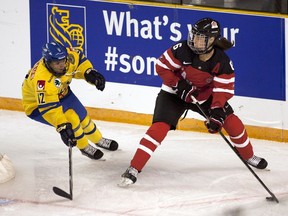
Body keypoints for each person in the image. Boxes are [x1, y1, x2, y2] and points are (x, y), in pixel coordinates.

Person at [119, 17, 268, 186]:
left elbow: (222, 90)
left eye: (201, 38)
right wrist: (178, 84)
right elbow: (161, 66)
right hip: (174, 93)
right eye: (194, 35)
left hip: (203, 95)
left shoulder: (222, 62)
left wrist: (217, 113)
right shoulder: (181, 49)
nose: (194, 40)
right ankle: (133, 168)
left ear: (212, 40)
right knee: (159, 128)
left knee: (232, 122)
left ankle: (248, 156)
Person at [22, 41, 118, 160]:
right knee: (71, 119)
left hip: (62, 92)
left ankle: (98, 139)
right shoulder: (42, 81)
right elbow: (49, 108)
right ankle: (84, 146)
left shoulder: (67, 57)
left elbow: (79, 61)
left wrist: (88, 72)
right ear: (48, 62)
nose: (62, 65)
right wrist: (61, 126)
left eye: (63, 60)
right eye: (57, 63)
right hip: (38, 107)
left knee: (83, 116)